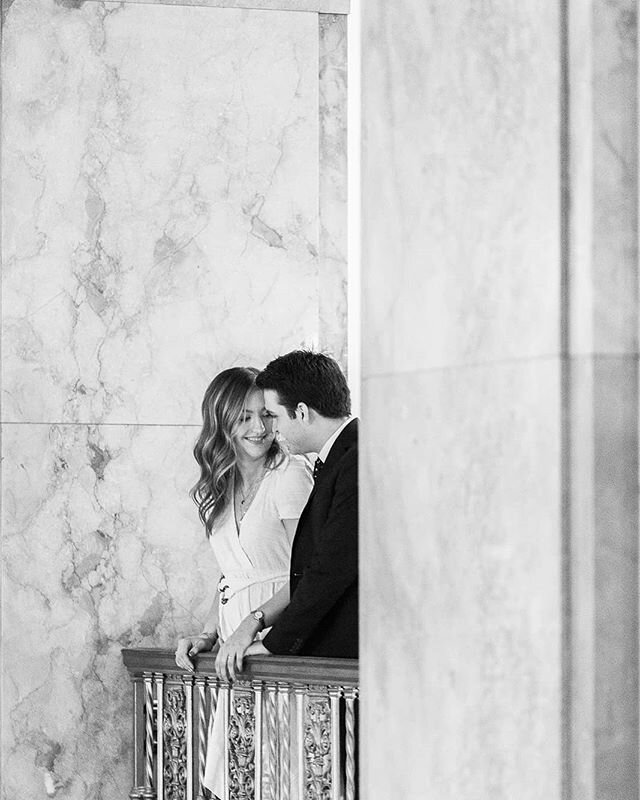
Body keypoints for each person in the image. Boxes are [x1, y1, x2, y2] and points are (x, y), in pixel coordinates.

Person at [174, 366, 313, 798]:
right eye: (244, 417)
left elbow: (306, 574)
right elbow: (232, 576)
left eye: (266, 415)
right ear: (222, 423)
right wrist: (209, 632)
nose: (259, 428)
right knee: (235, 781)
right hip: (234, 655)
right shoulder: (221, 485)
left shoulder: (289, 477)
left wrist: (249, 625)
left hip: (274, 643)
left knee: (277, 780)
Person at [213, 350, 358, 679]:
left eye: (273, 415)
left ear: (302, 412)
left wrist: (269, 640)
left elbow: (328, 568)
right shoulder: (338, 459)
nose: (270, 429)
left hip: (344, 659)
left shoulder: (355, 460)